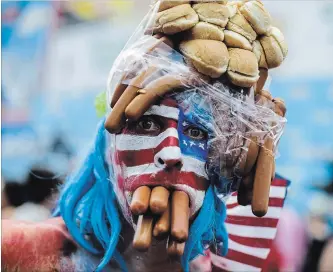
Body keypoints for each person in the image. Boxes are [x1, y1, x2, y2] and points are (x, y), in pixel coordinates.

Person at [2, 1, 290, 271]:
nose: (171, 153)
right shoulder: (18, 251)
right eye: (147, 123)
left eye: (196, 132)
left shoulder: (230, 264)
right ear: (109, 148)